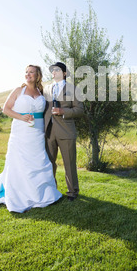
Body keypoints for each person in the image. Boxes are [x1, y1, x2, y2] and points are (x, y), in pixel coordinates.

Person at [0, 65, 62, 213]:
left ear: (38, 76)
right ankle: (18, 195)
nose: (28, 75)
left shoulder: (40, 92)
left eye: (31, 72)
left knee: (38, 161)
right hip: (20, 132)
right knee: (19, 162)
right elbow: (6, 109)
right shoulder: (18, 91)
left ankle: (40, 193)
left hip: (37, 133)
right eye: (26, 72)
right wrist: (21, 117)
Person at [44, 62, 84, 201]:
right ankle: (51, 190)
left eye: (57, 70)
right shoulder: (47, 89)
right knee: (49, 163)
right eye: (52, 70)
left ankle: (72, 192)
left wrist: (63, 111)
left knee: (69, 163)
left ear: (65, 73)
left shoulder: (73, 89)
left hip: (66, 131)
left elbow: (80, 110)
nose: (53, 72)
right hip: (49, 132)